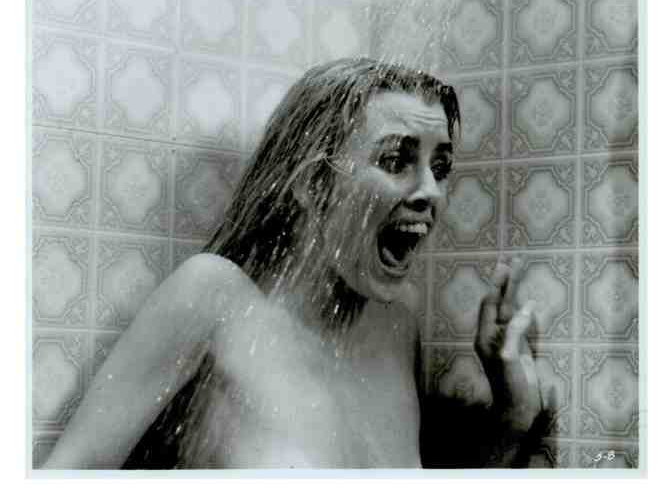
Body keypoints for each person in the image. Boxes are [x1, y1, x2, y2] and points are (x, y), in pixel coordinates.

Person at [41, 57, 547, 469]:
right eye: (396, 160)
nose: (431, 192)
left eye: (440, 167)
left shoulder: (397, 323)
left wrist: (515, 413)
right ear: (311, 185)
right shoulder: (214, 298)